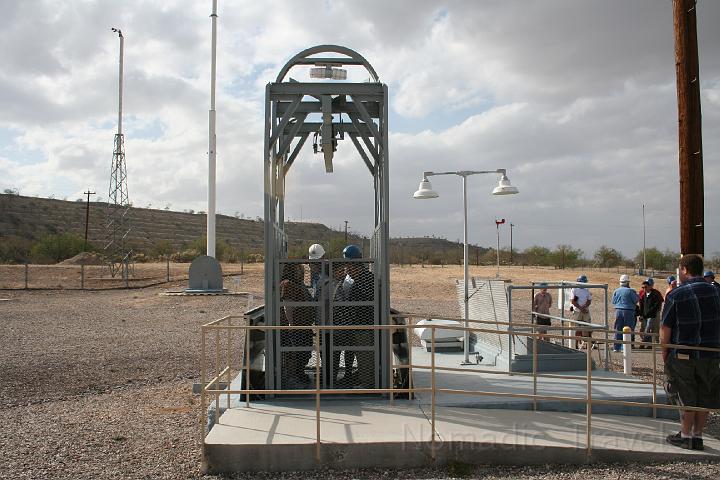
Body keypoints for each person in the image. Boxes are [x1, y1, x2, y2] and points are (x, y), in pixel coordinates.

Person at [661, 254, 720, 450]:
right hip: (710, 353)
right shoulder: (716, 292)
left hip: (683, 353)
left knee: (686, 395)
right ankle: (697, 435)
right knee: (705, 394)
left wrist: (665, 354)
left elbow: (666, 330)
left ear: (684, 270)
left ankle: (685, 435)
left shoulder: (676, 294)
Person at [334, 244, 376, 388]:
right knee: (358, 354)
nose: (347, 268)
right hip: (353, 324)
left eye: (349, 265)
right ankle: (359, 379)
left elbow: (364, 302)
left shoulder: (367, 279)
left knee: (364, 356)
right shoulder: (351, 279)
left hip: (364, 325)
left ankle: (367, 384)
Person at [279, 263, 314, 389]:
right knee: (296, 353)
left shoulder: (299, 285)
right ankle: (295, 378)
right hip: (296, 326)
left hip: (304, 325)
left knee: (304, 352)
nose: (302, 273)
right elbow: (287, 306)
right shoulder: (288, 285)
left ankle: (300, 374)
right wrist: (292, 324)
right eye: (299, 271)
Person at [611, 274, 640, 352]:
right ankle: (625, 347)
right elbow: (636, 300)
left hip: (618, 311)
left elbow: (613, 301)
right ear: (627, 282)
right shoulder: (631, 291)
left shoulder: (616, 291)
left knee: (618, 328)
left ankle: (616, 347)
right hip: (629, 311)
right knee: (628, 328)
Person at [638, 277, 663, 347]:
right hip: (645, 315)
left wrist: (653, 312)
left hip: (652, 315)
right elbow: (641, 304)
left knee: (650, 328)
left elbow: (657, 304)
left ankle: (643, 344)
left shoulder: (656, 293)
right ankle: (649, 344)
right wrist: (641, 314)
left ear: (650, 286)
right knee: (646, 328)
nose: (644, 289)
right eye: (643, 287)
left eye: (646, 287)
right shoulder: (643, 294)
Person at [570, 275, 593, 349]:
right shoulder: (574, 289)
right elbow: (572, 301)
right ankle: (576, 344)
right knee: (578, 328)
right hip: (577, 310)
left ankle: (588, 344)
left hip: (585, 309)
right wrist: (580, 308)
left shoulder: (586, 290)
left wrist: (584, 307)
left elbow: (589, 300)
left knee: (588, 326)